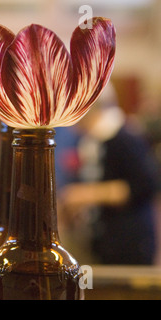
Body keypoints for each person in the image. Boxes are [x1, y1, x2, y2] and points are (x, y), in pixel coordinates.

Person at [59, 85, 160, 265]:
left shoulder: (125, 138)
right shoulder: (89, 140)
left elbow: (146, 185)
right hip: (101, 241)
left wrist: (86, 194)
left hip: (128, 242)